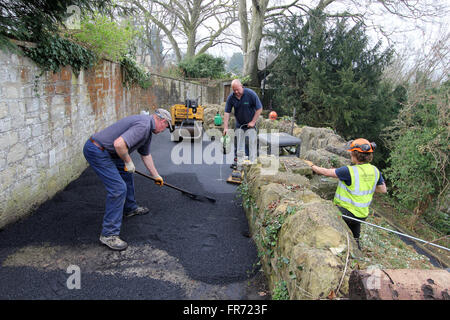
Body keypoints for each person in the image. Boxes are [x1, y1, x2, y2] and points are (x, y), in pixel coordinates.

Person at [83, 108, 173, 251]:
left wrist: (156, 176)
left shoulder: (147, 131)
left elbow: (146, 155)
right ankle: (109, 234)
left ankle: (130, 208)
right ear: (162, 121)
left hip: (111, 152)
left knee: (127, 175)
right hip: (98, 151)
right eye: (166, 127)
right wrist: (128, 161)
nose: (164, 130)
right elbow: (119, 144)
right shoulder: (143, 126)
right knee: (118, 188)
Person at [304, 138, 387, 250]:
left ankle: (334, 247)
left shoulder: (349, 171)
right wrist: (367, 185)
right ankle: (356, 249)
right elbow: (383, 189)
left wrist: (312, 166)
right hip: (362, 214)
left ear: (355, 154)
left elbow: (326, 172)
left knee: (327, 213)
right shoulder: (375, 171)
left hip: (346, 213)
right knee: (354, 232)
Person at [223, 79, 263, 166]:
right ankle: (237, 161)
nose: (236, 92)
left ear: (241, 86)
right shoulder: (231, 97)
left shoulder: (250, 94)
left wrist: (253, 121)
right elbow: (227, 112)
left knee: (250, 143)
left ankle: (250, 163)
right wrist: (225, 127)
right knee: (238, 144)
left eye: (238, 89)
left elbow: (259, 109)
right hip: (239, 124)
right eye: (234, 90)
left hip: (250, 125)